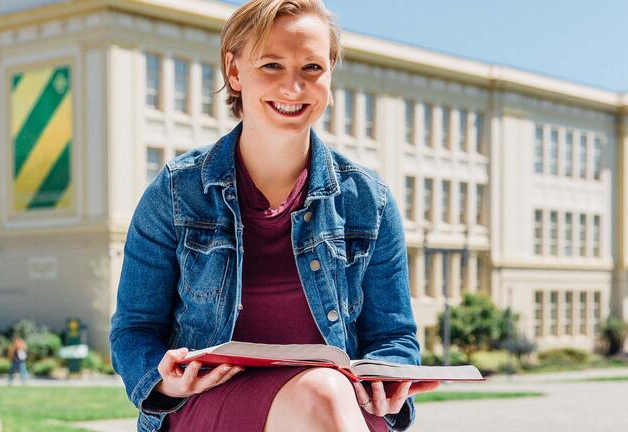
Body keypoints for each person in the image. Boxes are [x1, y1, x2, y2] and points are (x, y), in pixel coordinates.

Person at [110, 1, 438, 431]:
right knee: (322, 390)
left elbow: (394, 337)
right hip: (211, 403)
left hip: (340, 404)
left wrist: (388, 378)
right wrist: (166, 381)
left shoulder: (368, 201)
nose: (293, 87)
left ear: (331, 73)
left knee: (327, 391)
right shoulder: (175, 192)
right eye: (271, 65)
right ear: (234, 71)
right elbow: (134, 330)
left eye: (313, 68)